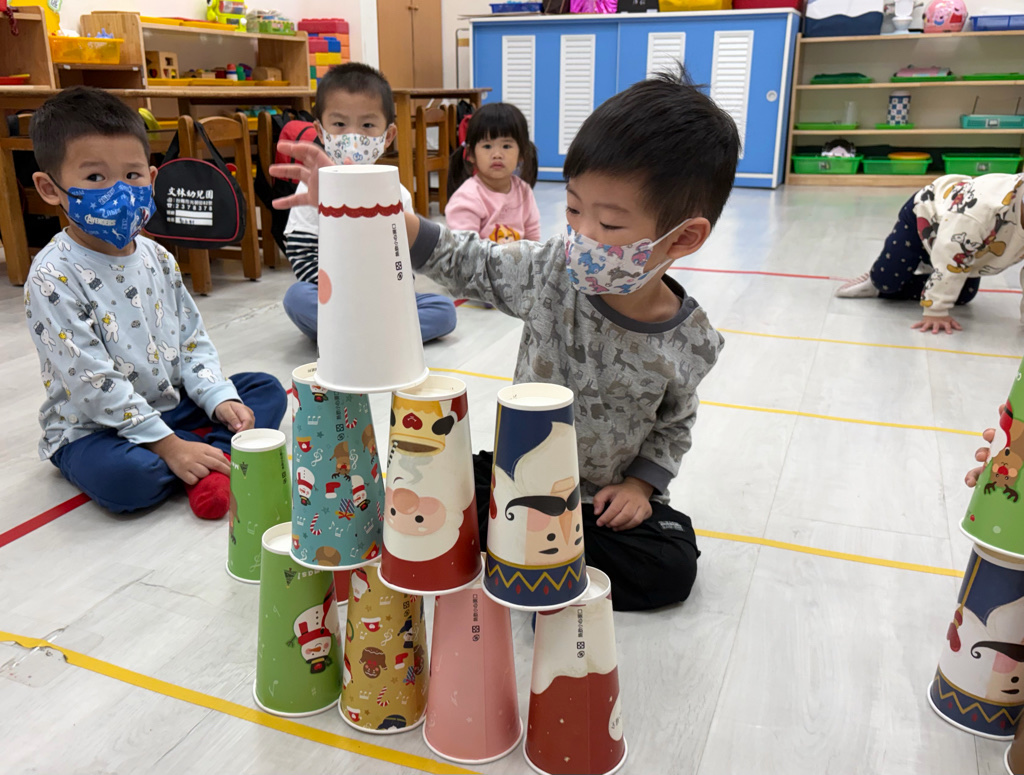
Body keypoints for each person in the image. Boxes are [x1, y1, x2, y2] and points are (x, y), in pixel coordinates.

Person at [272, 68, 737, 611]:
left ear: (682, 238)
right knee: (429, 487)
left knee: (672, 566)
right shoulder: (550, 271)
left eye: (610, 225)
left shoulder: (692, 341)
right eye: (573, 209)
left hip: (600, 504)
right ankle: (529, 554)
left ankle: (528, 556)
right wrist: (361, 201)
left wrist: (640, 487)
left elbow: (674, 423)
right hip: (513, 482)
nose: (582, 235)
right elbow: (466, 258)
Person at [24, 86, 287, 518]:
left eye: (132, 176)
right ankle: (212, 457)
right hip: (94, 428)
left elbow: (191, 340)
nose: (120, 191)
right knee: (128, 479)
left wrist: (219, 398)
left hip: (171, 405)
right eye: (95, 178)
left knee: (264, 389)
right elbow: (91, 382)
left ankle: (200, 458)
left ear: (152, 177)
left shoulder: (157, 255)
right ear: (49, 188)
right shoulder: (52, 274)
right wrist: (167, 445)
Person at [281, 63, 457, 343]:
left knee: (444, 310)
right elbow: (302, 252)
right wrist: (342, 293)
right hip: (334, 298)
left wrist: (393, 295)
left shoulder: (397, 193)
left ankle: (354, 337)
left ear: (388, 136)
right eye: (339, 124)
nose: (353, 137)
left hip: (384, 298)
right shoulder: (313, 187)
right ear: (321, 131)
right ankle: (384, 337)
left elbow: (406, 257)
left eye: (367, 125)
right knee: (297, 298)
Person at [835, 172, 1024, 335]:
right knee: (887, 282)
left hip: (965, 245)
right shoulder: (981, 212)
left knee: (963, 295)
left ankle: (929, 267)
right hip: (925, 216)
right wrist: (936, 311)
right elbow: (950, 255)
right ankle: (875, 281)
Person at [444, 102, 541, 243]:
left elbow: (533, 239)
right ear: (471, 154)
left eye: (506, 146)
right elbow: (464, 250)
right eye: (487, 146)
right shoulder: (467, 198)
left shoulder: (524, 191)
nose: (497, 154)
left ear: (521, 153)